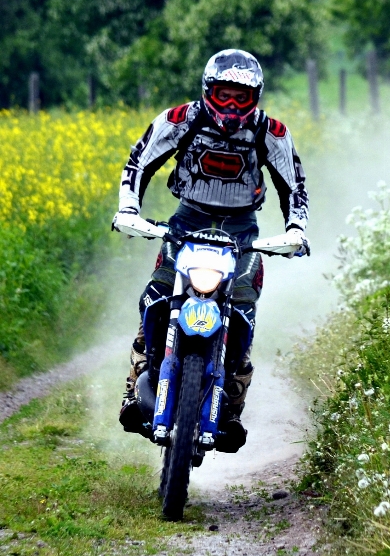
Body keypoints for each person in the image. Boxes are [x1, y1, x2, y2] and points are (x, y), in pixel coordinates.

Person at [111, 48, 309, 451]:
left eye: (242, 96)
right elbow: (139, 161)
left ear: (257, 96)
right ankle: (135, 390)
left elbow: (295, 185)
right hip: (185, 225)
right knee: (154, 297)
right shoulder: (180, 120)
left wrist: (296, 228)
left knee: (243, 313)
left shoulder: (272, 133)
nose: (232, 105)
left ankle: (231, 408)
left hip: (244, 235)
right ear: (207, 90)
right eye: (223, 94)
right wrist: (128, 209)